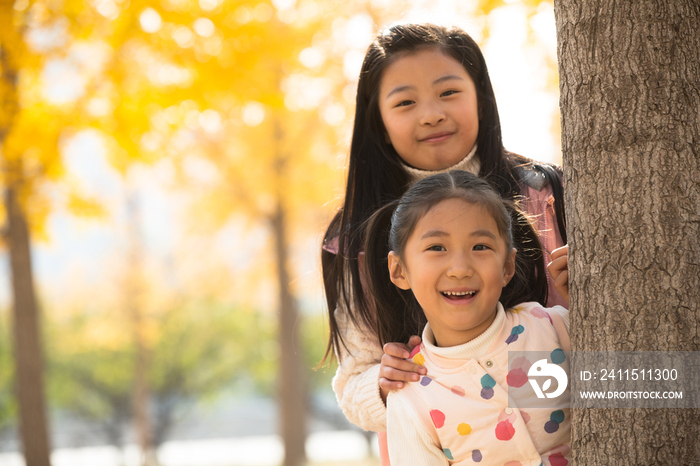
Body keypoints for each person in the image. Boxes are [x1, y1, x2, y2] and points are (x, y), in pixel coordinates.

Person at [320, 22, 568, 448]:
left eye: (449, 92)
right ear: (377, 122)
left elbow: (628, 366)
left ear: (481, 100)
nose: (431, 113)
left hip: (561, 423)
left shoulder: (542, 194)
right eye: (405, 102)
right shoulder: (356, 241)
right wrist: (383, 384)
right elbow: (352, 383)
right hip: (437, 441)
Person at [363, 170, 570, 465]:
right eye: (437, 248)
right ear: (399, 270)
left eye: (480, 247)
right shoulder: (412, 398)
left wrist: (589, 305)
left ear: (508, 266)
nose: (460, 268)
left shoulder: (550, 329)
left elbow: (643, 387)